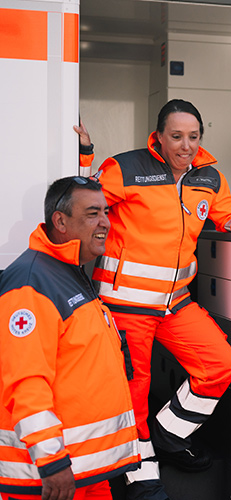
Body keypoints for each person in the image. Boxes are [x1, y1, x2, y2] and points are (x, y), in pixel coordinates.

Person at [76, 100, 231, 500]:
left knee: (221, 365)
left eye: (193, 136)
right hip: (125, 304)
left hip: (176, 304)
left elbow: (227, 212)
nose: (186, 145)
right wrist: (85, 155)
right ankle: (139, 472)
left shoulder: (209, 177)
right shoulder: (126, 168)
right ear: (158, 136)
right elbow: (84, 202)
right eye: (176, 136)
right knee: (135, 390)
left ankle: (167, 436)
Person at [0, 176, 140, 500]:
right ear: (60, 222)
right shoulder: (31, 283)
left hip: (87, 470)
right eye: (92, 214)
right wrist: (51, 461)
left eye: (105, 212)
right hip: (51, 479)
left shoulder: (68, 270)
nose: (105, 222)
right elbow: (26, 383)